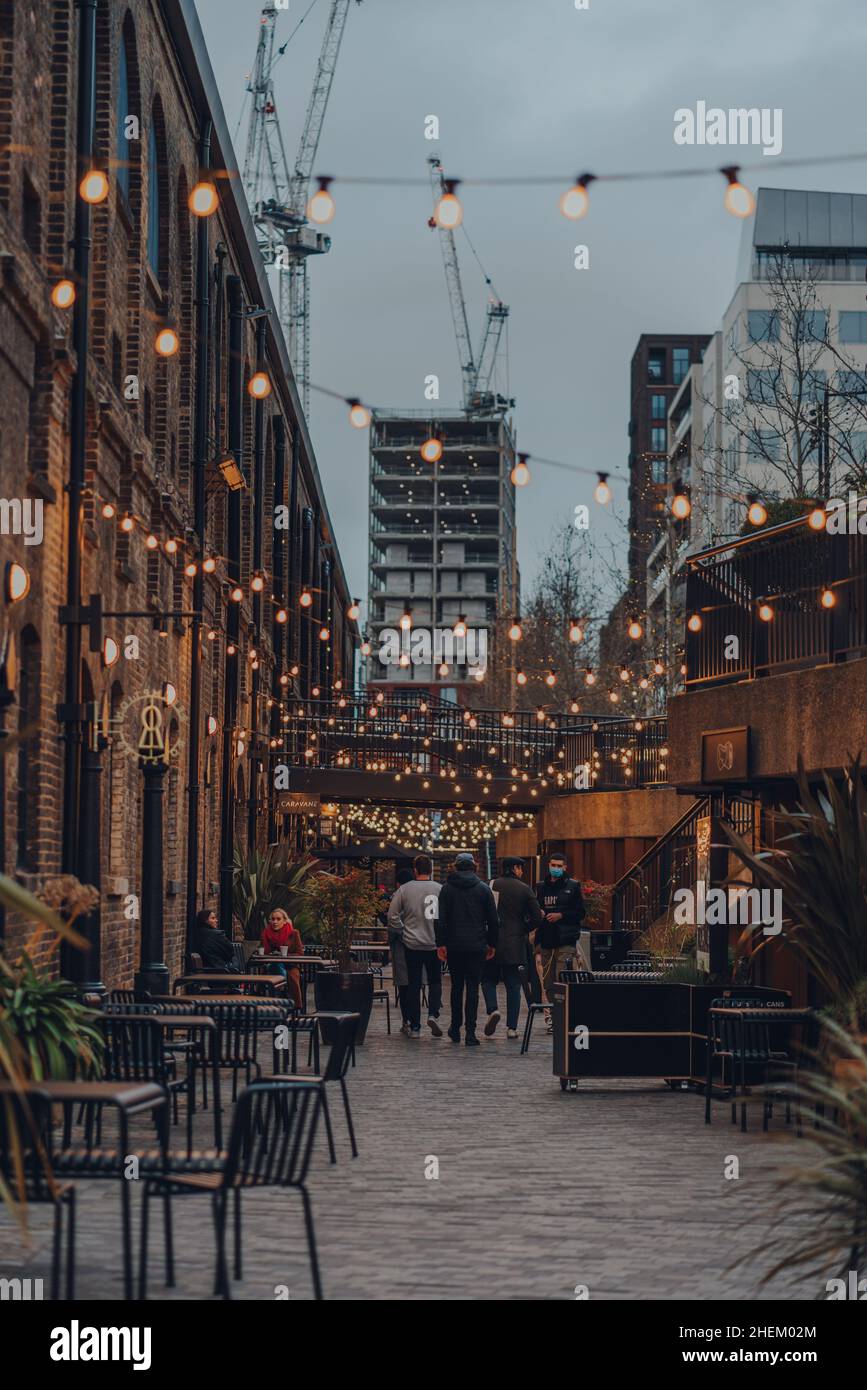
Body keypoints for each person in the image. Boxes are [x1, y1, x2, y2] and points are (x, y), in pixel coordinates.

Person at [435, 851, 499, 1047]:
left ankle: (455, 1028)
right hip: (477, 945)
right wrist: (492, 944)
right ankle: (470, 1033)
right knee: (473, 988)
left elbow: (440, 919)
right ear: (474, 867)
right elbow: (493, 920)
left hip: (454, 945)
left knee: (456, 987)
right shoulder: (483, 889)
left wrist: (441, 943)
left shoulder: (447, 889)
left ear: (455, 867)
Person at [482, 856, 543, 1039]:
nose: (522, 871)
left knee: (488, 979)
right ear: (515, 868)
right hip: (515, 943)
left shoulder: (490, 885)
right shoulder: (525, 889)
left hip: (491, 941)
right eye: (520, 868)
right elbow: (537, 917)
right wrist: (523, 929)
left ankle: (493, 1009)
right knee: (513, 985)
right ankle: (512, 1028)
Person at [388, 854, 443, 1038]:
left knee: (413, 984)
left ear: (415, 870)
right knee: (435, 981)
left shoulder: (404, 890)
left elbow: (392, 916)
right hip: (434, 943)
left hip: (411, 943)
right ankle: (433, 1013)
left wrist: (403, 930)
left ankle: (415, 1027)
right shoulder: (439, 889)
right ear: (431, 870)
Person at [534, 853, 587, 1029]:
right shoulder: (541, 887)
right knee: (548, 982)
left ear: (564, 867)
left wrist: (561, 915)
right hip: (546, 940)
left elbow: (580, 913)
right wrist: (539, 913)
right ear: (549, 865)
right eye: (553, 865)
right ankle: (554, 1017)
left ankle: (563, 1017)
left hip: (566, 939)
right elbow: (535, 909)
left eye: (559, 866)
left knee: (561, 979)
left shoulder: (573, 886)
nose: (555, 868)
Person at [260, 907, 303, 1010]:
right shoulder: (266, 932)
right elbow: (265, 951)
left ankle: (278, 999)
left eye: (278, 919)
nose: (275, 922)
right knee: (275, 965)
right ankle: (281, 990)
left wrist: (285, 955)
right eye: (273, 919)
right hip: (272, 964)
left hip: (290, 965)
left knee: (285, 972)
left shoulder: (293, 933)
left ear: (284, 921)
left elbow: (300, 953)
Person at [387, 870, 412, 1034]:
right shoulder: (417, 895)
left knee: (404, 985)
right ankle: (414, 1020)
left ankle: (407, 1020)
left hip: (401, 946)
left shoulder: (399, 896)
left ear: (398, 883)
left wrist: (400, 933)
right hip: (418, 944)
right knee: (413, 984)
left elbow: (392, 921)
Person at [192, 908, 241, 972]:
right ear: (205, 920)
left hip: (207, 969)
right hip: (220, 969)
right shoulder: (217, 934)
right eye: (213, 918)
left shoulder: (196, 934)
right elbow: (230, 951)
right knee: (235, 960)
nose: (216, 920)